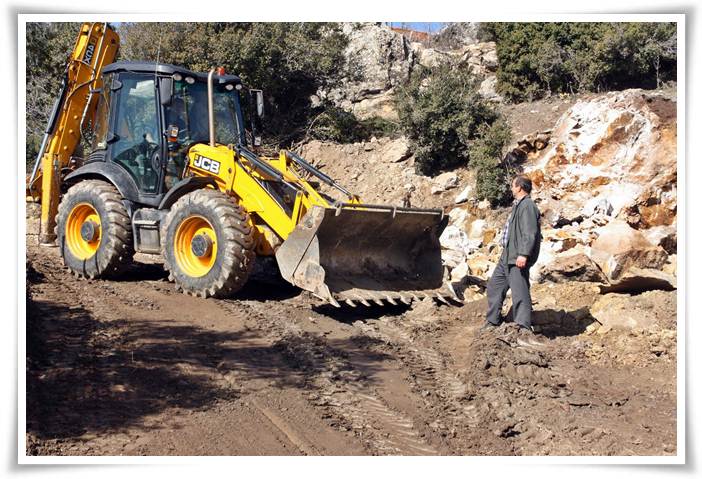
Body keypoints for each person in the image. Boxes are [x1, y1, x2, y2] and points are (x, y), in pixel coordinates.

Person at [482, 175, 541, 333]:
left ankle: (523, 326)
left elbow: (530, 232)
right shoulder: (518, 205)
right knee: (495, 286)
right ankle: (493, 320)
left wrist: (524, 254)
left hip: (517, 257)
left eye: (513, 186)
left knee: (519, 291)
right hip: (507, 255)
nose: (511, 188)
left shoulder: (527, 206)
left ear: (520, 187)